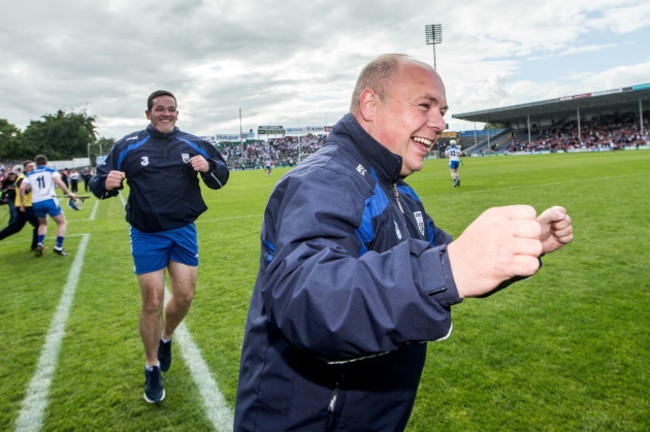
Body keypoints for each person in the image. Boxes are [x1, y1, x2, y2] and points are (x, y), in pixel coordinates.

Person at [233, 54, 574, 431]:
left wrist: (519, 249)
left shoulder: (400, 192)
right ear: (370, 105)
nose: (441, 123)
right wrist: (452, 267)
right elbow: (311, 301)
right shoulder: (323, 180)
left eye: (443, 111)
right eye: (425, 106)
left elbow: (449, 261)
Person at [89, 90, 230, 404]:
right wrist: (106, 184)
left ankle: (165, 338)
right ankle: (151, 365)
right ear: (148, 113)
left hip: (182, 231)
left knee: (184, 297)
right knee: (152, 300)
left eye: (171, 109)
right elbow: (98, 183)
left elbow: (221, 178)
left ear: (177, 114)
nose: (166, 114)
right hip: (146, 233)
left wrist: (208, 167)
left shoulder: (195, 144)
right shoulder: (127, 146)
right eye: (159, 109)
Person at [20, 155, 77, 256]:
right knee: (62, 223)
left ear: (36, 164)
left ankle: (40, 243)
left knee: (43, 224)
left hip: (36, 202)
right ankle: (58, 247)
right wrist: (69, 193)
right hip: (49, 200)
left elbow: (21, 188)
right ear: (46, 163)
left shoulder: (29, 174)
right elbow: (58, 182)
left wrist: (22, 203)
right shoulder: (51, 171)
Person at [0, 161, 40, 251]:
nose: (32, 168)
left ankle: (35, 246)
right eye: (30, 167)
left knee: (15, 228)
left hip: (24, 206)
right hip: (26, 207)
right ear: (25, 168)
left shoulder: (28, 177)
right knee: (39, 224)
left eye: (33, 166)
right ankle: (35, 246)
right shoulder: (22, 178)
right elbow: (26, 190)